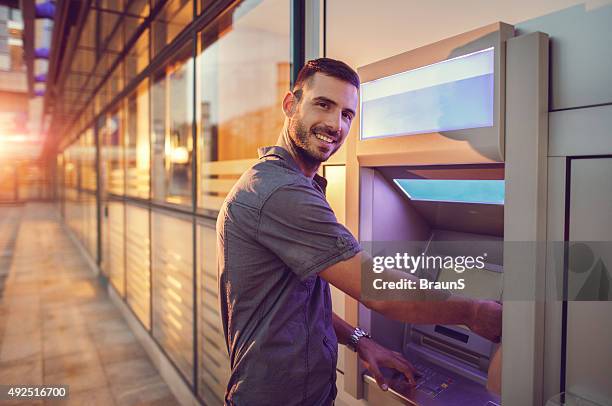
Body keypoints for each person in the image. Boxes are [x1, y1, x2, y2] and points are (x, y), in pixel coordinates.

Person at [216, 58, 502, 406]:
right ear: (291, 105)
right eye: (323, 104)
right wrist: (473, 312)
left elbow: (293, 305)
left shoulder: (284, 184)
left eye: (347, 114)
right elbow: (375, 287)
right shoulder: (281, 193)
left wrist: (360, 340)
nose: (335, 124)